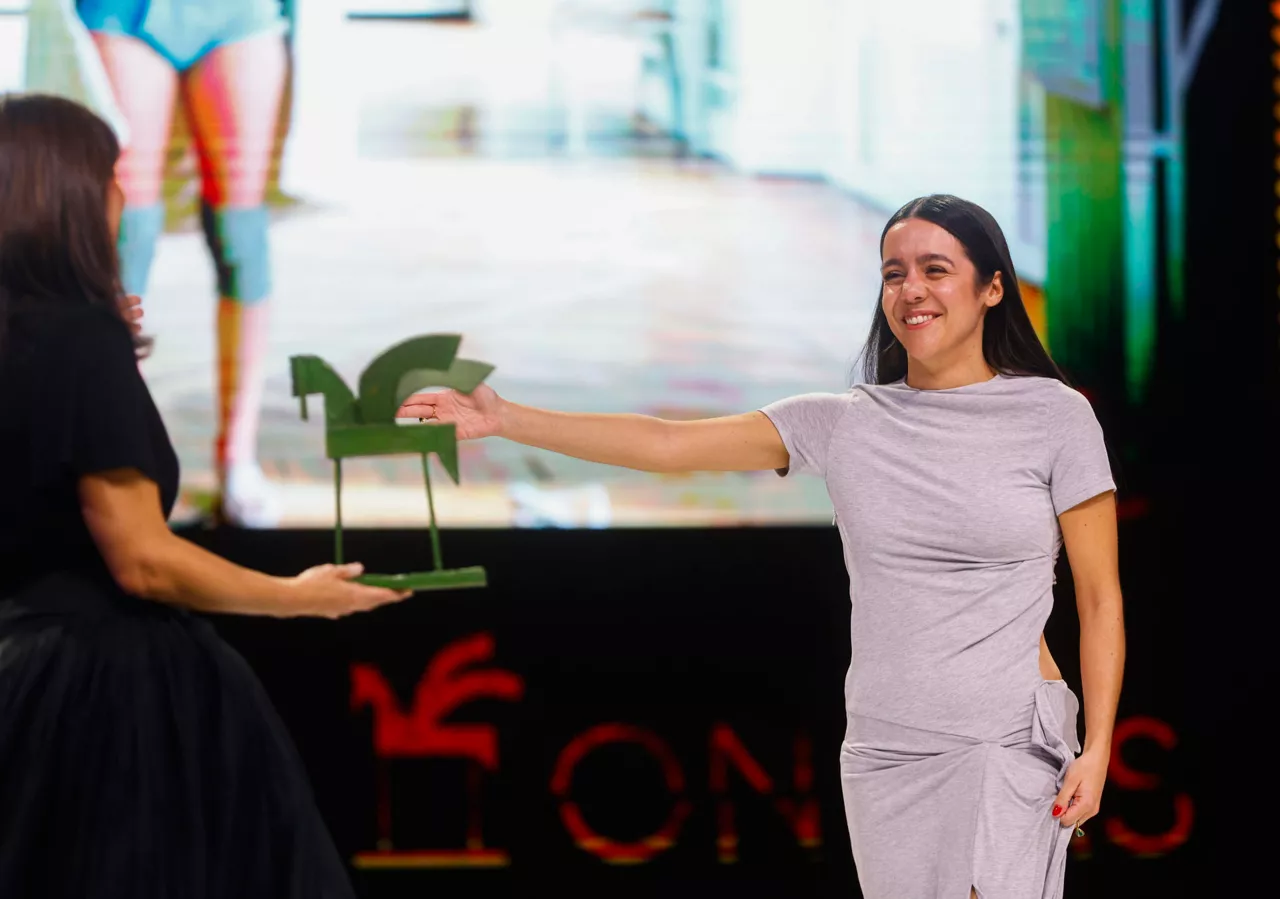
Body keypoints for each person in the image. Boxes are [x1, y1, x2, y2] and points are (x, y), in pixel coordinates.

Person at [399, 194, 1125, 898]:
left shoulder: (1053, 416)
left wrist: (1096, 748)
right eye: (893, 273)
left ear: (993, 287)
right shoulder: (843, 423)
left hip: (1006, 738)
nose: (911, 290)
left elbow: (1099, 600)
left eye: (936, 269)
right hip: (886, 746)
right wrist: (506, 419)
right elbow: (666, 443)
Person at [0, 93, 409, 898]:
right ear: (71, 197)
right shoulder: (78, 340)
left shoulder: (34, 335)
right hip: (103, 698)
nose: (125, 194)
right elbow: (144, 561)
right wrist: (298, 597)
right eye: (111, 175)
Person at [75, 0, 292, 525]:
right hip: (122, 13)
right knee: (125, 231)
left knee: (241, 233)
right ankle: (120, 454)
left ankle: (237, 457)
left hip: (239, 15)